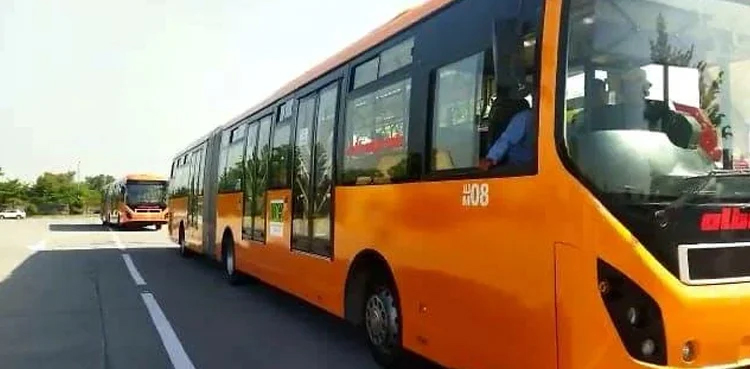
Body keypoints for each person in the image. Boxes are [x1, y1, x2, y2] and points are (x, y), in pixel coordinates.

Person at [478, 97, 533, 170]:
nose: (497, 113)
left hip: (520, 167)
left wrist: (490, 159)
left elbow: (507, 140)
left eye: (501, 108)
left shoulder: (525, 117)